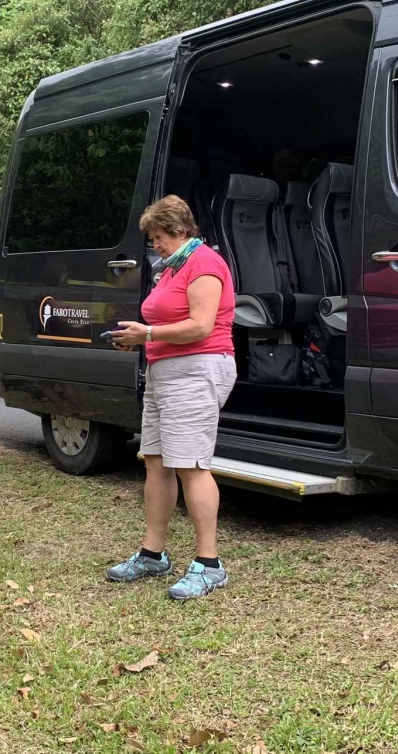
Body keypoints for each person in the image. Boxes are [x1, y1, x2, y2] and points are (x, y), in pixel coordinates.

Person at [107, 195, 236, 600]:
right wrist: (138, 339)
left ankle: (209, 564)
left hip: (197, 370)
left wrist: (145, 333)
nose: (155, 246)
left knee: (191, 465)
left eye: (159, 237)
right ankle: (153, 554)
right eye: (153, 239)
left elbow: (200, 326)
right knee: (157, 463)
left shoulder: (205, 264)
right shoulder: (174, 268)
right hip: (166, 372)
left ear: (181, 231)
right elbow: (165, 324)